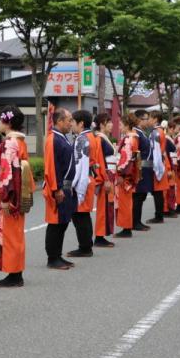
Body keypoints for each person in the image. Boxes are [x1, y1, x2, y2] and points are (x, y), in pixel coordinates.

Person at [0, 105, 29, 288]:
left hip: (10, 193)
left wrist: (5, 197)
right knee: (16, 233)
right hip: (19, 191)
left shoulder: (9, 143)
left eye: (0, 119)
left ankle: (14, 274)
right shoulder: (20, 141)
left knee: (10, 234)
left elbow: (6, 173)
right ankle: (16, 271)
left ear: (6, 121)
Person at [43, 108, 77, 270]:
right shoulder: (53, 139)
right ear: (59, 121)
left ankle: (58, 255)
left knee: (63, 222)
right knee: (55, 223)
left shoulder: (62, 138)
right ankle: (52, 257)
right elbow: (51, 166)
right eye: (69, 120)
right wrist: (56, 189)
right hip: (58, 187)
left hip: (66, 186)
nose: (71, 123)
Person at [67, 109, 99, 259]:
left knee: (80, 215)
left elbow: (80, 164)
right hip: (88, 177)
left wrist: (74, 184)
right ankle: (86, 246)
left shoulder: (82, 139)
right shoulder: (91, 136)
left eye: (73, 121)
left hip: (83, 179)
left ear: (80, 123)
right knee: (83, 214)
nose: (71, 124)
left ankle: (85, 247)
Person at [92, 112, 117, 247]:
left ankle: (103, 234)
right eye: (109, 122)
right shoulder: (99, 139)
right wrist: (105, 178)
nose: (112, 124)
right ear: (102, 124)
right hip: (105, 175)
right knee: (103, 206)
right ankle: (100, 236)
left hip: (110, 174)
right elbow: (99, 161)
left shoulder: (103, 138)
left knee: (108, 205)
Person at [115, 117, 139, 239]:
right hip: (131, 173)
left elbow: (125, 158)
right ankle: (126, 226)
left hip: (126, 174)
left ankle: (126, 228)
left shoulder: (128, 139)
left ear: (127, 125)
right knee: (127, 201)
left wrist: (120, 173)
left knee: (124, 201)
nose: (120, 127)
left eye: (121, 124)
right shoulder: (134, 138)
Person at [132, 111, 155, 232]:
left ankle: (137, 220)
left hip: (146, 169)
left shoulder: (142, 133)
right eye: (146, 119)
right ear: (140, 120)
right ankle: (135, 222)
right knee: (138, 196)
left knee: (142, 195)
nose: (148, 121)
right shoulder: (136, 133)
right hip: (141, 169)